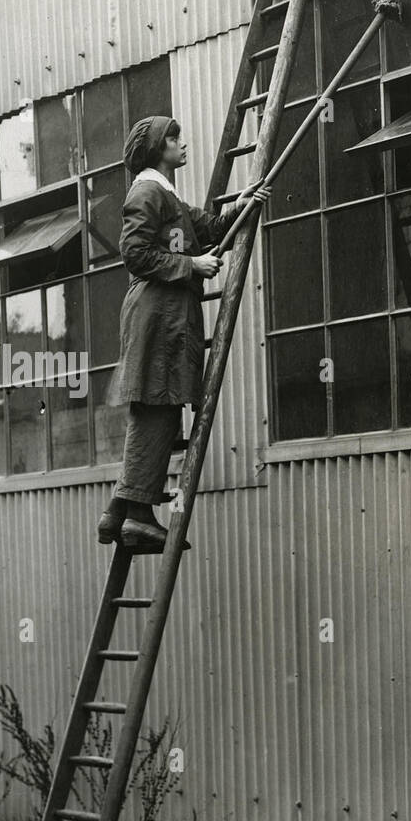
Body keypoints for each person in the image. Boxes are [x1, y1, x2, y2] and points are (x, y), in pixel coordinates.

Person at [97, 117, 270, 551]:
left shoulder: (164, 194)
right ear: (158, 149)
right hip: (158, 315)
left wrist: (243, 205)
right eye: (174, 138)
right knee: (159, 406)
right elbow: (134, 252)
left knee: (157, 405)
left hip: (166, 315)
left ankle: (118, 511)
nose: (182, 142)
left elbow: (206, 228)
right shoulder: (147, 191)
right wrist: (190, 266)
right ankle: (137, 516)